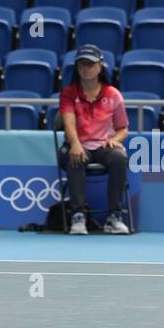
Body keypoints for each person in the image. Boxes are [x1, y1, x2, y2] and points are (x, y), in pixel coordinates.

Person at [57, 44, 130, 235]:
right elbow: (69, 123)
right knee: (76, 157)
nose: (85, 68)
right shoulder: (69, 93)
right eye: (81, 64)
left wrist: (115, 139)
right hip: (78, 144)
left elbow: (123, 129)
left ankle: (114, 216)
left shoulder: (113, 94)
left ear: (100, 67)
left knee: (119, 159)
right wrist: (74, 144)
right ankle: (78, 216)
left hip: (103, 146)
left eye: (90, 64)